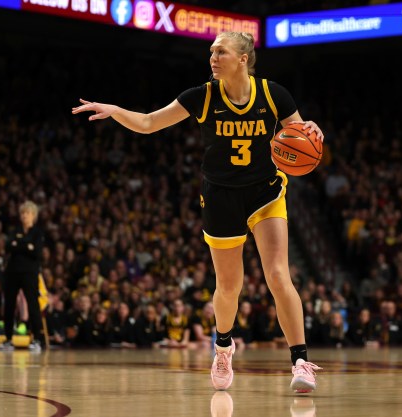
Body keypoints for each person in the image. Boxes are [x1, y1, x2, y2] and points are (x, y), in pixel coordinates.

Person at [72, 31, 323, 393]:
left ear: (242, 58)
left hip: (265, 193)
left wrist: (313, 131)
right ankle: (223, 346)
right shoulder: (202, 96)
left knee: (279, 275)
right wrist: (114, 111)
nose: (212, 57)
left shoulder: (273, 94)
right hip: (220, 196)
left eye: (220, 51)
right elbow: (148, 123)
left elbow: (300, 135)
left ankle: (300, 362)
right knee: (228, 287)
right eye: (211, 51)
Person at [0, 201, 45, 352]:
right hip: (12, 272)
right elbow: (7, 246)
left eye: (27, 213)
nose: (24, 216)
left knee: (33, 305)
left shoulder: (37, 233)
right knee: (9, 306)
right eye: (22, 213)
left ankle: (36, 339)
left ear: (33, 216)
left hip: (30, 273)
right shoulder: (15, 230)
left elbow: (36, 252)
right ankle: (8, 339)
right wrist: (26, 246)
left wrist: (18, 244)